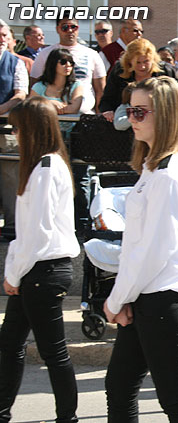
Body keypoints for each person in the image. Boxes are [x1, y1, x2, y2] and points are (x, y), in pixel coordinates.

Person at [103, 77, 178, 421]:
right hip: (148, 295)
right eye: (129, 109)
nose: (131, 118)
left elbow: (152, 251)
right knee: (119, 388)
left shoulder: (168, 174)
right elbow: (140, 248)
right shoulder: (154, 166)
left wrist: (117, 299)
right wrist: (124, 296)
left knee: (176, 403)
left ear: (165, 115)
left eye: (140, 111)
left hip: (163, 299)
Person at [0, 96, 81, 423]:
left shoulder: (46, 168)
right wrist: (14, 272)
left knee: (53, 352)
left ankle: (68, 418)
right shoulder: (42, 166)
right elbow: (28, 233)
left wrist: (13, 276)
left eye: (18, 128)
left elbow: (37, 234)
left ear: (33, 129)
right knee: (10, 345)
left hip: (42, 270)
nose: (15, 134)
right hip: (37, 268)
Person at [30, 16, 106, 114]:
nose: (70, 30)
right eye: (65, 27)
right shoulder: (45, 54)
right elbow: (34, 85)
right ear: (57, 29)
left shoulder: (92, 54)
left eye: (73, 27)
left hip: (84, 115)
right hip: (50, 115)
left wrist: (99, 116)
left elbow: (100, 90)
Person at [99, 38, 175, 117]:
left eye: (146, 61)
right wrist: (108, 111)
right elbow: (107, 100)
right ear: (129, 61)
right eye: (137, 62)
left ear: (153, 59)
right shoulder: (119, 70)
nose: (142, 66)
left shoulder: (167, 71)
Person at [29, 48, 83, 114]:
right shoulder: (39, 86)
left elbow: (74, 109)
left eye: (71, 62)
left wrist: (44, 105)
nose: (68, 65)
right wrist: (50, 103)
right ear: (53, 63)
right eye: (63, 62)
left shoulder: (76, 85)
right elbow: (31, 107)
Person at [0, 21, 27, 115]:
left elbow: (20, 94)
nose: (2, 40)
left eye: (4, 35)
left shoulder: (17, 63)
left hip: (5, 121)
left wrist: (2, 108)